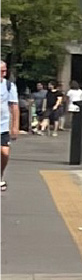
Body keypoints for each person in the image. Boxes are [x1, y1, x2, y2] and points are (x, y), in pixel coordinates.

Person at [1, 60, 18, 190]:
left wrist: (15, 126)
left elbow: (14, 106)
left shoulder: (9, 86)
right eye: (1, 71)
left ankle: (0, 175)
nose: (4, 73)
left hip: (3, 125)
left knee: (5, 153)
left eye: (5, 71)